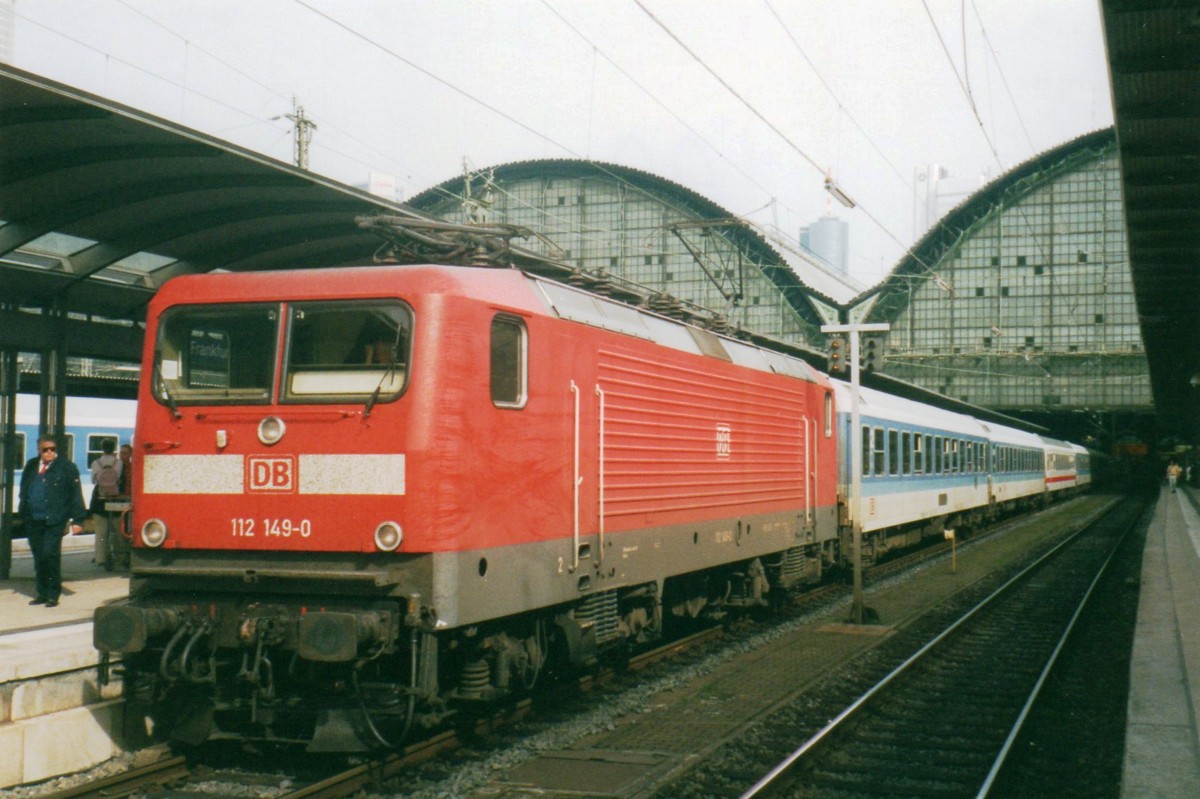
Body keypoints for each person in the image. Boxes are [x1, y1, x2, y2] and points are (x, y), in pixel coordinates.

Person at [18, 434, 87, 608]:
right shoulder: (31, 465)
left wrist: (77, 519)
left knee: (50, 554)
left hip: (54, 519)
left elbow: (75, 494)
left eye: (52, 449)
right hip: (33, 518)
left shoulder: (66, 467)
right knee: (39, 557)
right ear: (39, 450)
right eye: (45, 449)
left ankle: (52, 594)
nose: (49, 452)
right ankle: (41, 593)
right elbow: (24, 488)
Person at [89, 440, 124, 570]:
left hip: (99, 500)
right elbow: (120, 479)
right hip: (115, 499)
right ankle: (120, 556)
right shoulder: (119, 463)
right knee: (118, 531)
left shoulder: (95, 463)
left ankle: (101, 558)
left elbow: (93, 481)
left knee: (101, 531)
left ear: (102, 449)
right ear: (114, 449)